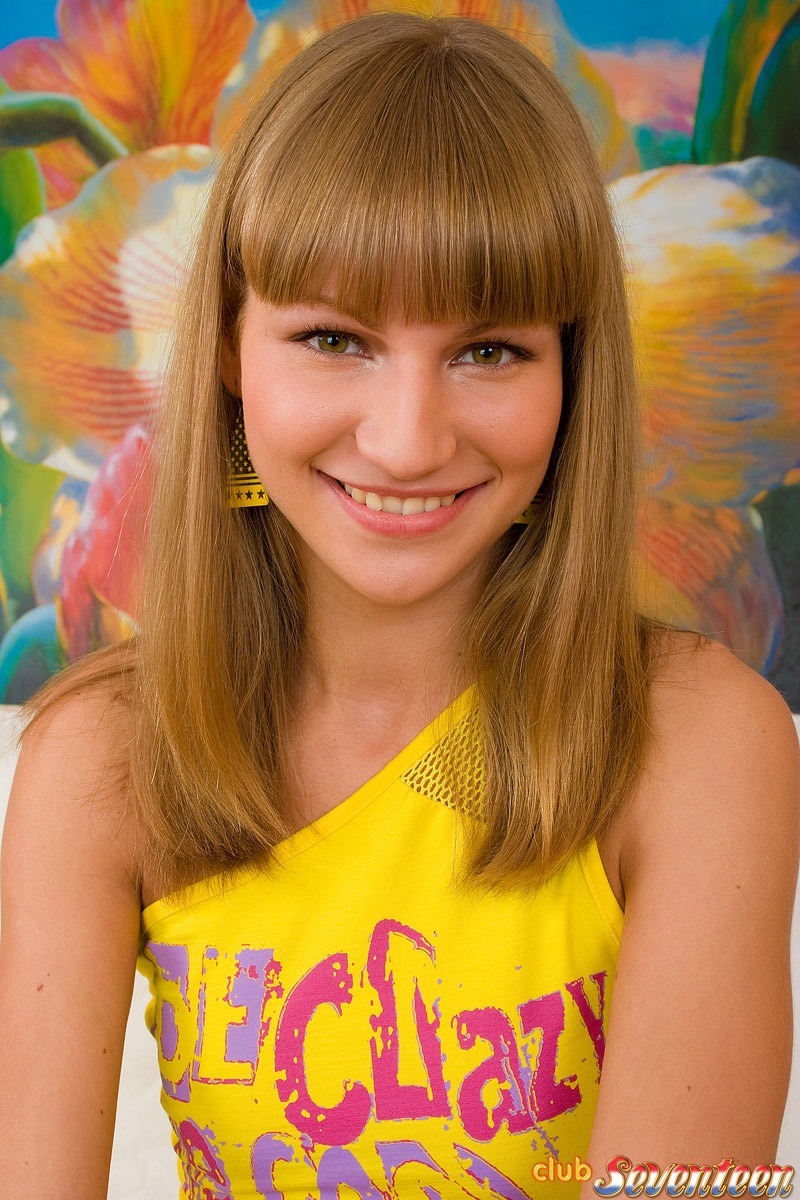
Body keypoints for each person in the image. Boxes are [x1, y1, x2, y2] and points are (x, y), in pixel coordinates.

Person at [0, 11, 797, 1200]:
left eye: (488, 352)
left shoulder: (698, 741)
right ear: (228, 354)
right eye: (333, 337)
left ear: (573, 372)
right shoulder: (100, 758)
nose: (407, 440)